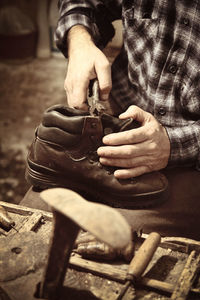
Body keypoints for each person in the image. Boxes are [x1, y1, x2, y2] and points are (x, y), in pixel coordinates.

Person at [21, 1, 200, 240]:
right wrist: (79, 41)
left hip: (191, 156)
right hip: (123, 121)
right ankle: (57, 157)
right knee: (31, 219)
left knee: (112, 236)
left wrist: (175, 145)